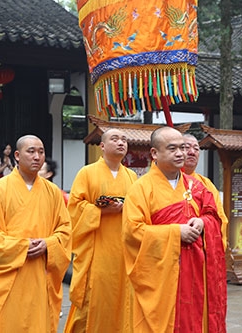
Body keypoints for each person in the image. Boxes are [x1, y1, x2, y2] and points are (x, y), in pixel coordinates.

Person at [122, 127, 227, 332]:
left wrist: (203, 222)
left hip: (196, 274)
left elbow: (214, 217)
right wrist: (175, 233)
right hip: (162, 279)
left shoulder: (196, 187)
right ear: (154, 153)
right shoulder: (141, 189)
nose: (181, 153)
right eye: (172, 149)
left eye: (182, 148)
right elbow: (132, 232)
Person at [0, 134, 72, 332]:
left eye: (41, 152)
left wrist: (49, 244)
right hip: (9, 278)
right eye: (31, 151)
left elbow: (65, 230)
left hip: (40, 274)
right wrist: (21, 247)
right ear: (18, 155)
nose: (37, 156)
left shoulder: (53, 192)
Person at [64, 129, 138, 333]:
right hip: (96, 250)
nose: (121, 143)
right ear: (102, 146)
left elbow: (140, 211)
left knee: (123, 298)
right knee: (93, 298)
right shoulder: (87, 173)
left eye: (124, 139)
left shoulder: (132, 176)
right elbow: (74, 208)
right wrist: (100, 211)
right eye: (114, 139)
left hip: (123, 251)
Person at [182, 133, 228, 248]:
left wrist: (203, 223)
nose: (192, 152)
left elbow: (219, 218)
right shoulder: (169, 181)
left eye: (196, 149)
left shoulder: (206, 184)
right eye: (187, 147)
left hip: (201, 249)